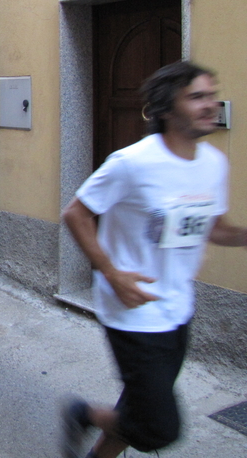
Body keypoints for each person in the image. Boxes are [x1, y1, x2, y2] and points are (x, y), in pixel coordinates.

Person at [60, 61, 247, 458]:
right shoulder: (133, 163)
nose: (210, 105)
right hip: (132, 310)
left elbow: (215, 228)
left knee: (139, 408)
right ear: (166, 108)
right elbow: (76, 214)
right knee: (160, 427)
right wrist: (111, 273)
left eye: (211, 95)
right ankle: (85, 413)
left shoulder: (213, 163)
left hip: (178, 306)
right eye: (196, 97)